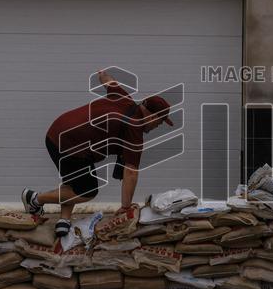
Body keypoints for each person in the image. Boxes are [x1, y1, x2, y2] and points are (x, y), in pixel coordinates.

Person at [22, 68, 174, 240]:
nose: (157, 127)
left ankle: (64, 220)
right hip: (68, 143)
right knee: (88, 190)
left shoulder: (124, 98)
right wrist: (125, 207)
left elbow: (109, 81)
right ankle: (35, 199)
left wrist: (102, 74)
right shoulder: (135, 130)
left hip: (58, 130)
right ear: (152, 117)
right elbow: (131, 172)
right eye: (160, 122)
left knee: (74, 181)